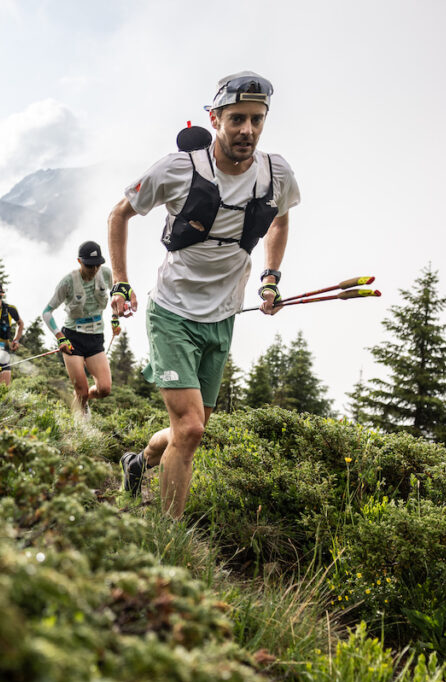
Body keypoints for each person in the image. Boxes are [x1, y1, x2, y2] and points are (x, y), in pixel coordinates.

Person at [107, 71, 301, 518]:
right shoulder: (177, 169)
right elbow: (120, 214)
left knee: (190, 429)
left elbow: (280, 219)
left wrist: (270, 276)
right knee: (191, 429)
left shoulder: (277, 173)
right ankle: (169, 540)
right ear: (215, 118)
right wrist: (120, 281)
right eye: (236, 119)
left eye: (256, 119)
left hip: (222, 317)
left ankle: (138, 462)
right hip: (172, 311)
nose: (247, 131)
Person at [42, 240, 118, 418]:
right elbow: (47, 312)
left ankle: (83, 401)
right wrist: (60, 337)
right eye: (89, 265)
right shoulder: (67, 282)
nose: (94, 269)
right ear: (79, 261)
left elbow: (116, 295)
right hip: (72, 338)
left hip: (95, 337)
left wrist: (115, 318)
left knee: (104, 389)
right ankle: (80, 422)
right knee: (81, 390)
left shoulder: (105, 274)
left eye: (97, 265)